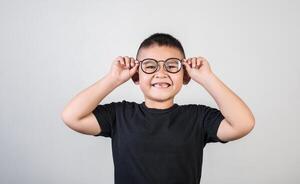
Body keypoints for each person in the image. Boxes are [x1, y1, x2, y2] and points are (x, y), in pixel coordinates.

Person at [61, 33, 255, 184]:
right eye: (150, 66)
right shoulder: (119, 115)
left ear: (185, 75)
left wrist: (207, 78)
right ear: (136, 76)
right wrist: (113, 79)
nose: (161, 73)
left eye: (172, 66)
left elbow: (243, 124)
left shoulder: (198, 117)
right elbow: (72, 116)